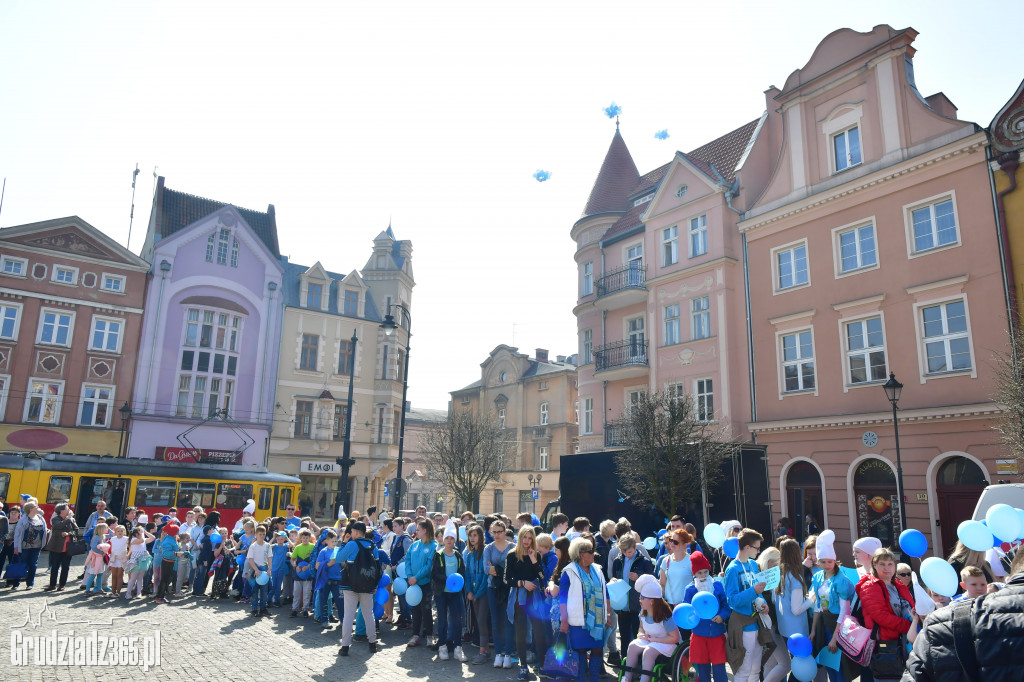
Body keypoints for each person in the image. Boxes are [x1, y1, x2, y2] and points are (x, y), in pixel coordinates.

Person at [903, 545, 1024, 681]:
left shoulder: (942, 623)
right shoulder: (944, 620)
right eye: (974, 585)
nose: (979, 588)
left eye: (982, 584)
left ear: (1009, 579)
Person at [857, 547, 916, 681]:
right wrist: (910, 626)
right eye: (882, 564)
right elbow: (881, 617)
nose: (886, 568)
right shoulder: (870, 586)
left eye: (890, 564)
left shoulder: (898, 584)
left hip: (904, 642)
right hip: (886, 645)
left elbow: (910, 606)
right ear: (874, 565)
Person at [559, 536, 611, 682]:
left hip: (598, 621)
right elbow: (563, 599)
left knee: (597, 651)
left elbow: (605, 592)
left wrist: (608, 615)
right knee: (580, 653)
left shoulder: (598, 570)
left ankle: (594, 679)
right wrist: (564, 621)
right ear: (582, 555)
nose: (594, 554)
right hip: (577, 622)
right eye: (591, 551)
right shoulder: (569, 572)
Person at [724, 528, 769, 682]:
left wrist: (764, 603)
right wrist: (753, 591)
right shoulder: (732, 569)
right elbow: (732, 600)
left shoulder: (753, 565)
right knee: (744, 669)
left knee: (756, 668)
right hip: (743, 624)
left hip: (756, 621)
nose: (759, 551)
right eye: (757, 548)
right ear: (747, 548)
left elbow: (758, 590)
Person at [810, 530, 855, 682]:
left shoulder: (841, 580)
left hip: (838, 625)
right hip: (824, 623)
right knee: (829, 664)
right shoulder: (817, 577)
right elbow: (818, 605)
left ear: (835, 561)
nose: (827, 565)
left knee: (840, 667)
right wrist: (813, 631)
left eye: (830, 561)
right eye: (823, 562)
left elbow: (844, 610)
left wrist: (835, 638)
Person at [766, 538, 813, 682]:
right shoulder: (796, 577)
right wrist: (811, 599)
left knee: (795, 664)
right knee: (801, 666)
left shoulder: (778, 574)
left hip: (784, 628)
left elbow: (774, 600)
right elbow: (797, 609)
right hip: (798, 629)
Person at [505, 524, 547, 680]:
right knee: (520, 632)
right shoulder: (511, 555)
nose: (527, 540)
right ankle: (523, 666)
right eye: (525, 537)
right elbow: (506, 579)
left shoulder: (535, 554)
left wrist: (534, 560)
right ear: (520, 537)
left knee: (539, 632)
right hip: (519, 596)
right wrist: (522, 583)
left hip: (534, 597)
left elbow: (542, 576)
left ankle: (542, 665)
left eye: (530, 538)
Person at [622, 574, 680, 682]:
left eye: (642, 598)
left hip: (667, 644)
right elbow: (641, 628)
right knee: (633, 645)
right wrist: (641, 635)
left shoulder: (665, 616)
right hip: (651, 641)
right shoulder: (643, 612)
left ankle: (644, 679)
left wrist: (655, 640)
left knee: (649, 651)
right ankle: (627, 678)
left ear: (652, 601)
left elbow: (675, 638)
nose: (639, 600)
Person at [337, 521, 381, 657]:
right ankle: (372, 644)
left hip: (350, 583)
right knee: (368, 614)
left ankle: (345, 647)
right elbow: (378, 568)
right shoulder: (373, 546)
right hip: (367, 584)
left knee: (349, 614)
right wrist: (375, 585)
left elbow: (339, 558)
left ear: (355, 532)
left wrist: (343, 543)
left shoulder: (352, 544)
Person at [683, 551, 729, 682]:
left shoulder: (717, 585)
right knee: (702, 671)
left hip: (717, 633)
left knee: (720, 669)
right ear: (694, 574)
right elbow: (687, 610)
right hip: (698, 634)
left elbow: (726, 605)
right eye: (699, 573)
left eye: (705, 572)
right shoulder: (690, 589)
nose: (703, 575)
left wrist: (722, 616)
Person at [611, 533, 655, 667]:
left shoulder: (644, 561)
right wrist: (613, 580)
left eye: (629, 551)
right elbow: (613, 577)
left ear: (635, 547)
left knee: (640, 637)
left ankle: (640, 666)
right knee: (624, 637)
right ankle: (626, 664)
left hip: (638, 606)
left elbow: (652, 581)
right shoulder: (617, 561)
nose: (627, 554)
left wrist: (639, 576)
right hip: (622, 605)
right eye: (624, 552)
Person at [428, 519, 467, 663]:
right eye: (447, 538)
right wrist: (448, 579)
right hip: (441, 593)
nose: (450, 541)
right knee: (443, 620)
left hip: (455, 594)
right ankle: (442, 646)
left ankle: (458, 647)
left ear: (455, 540)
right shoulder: (438, 555)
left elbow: (462, 572)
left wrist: (458, 581)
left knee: (457, 620)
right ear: (443, 539)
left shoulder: (458, 555)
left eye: (452, 538)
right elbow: (434, 574)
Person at [484, 518, 515, 668]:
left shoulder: (513, 547)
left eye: (499, 532)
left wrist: (496, 568)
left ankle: (508, 654)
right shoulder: (488, 548)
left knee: (509, 620)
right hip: (493, 588)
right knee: (496, 621)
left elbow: (515, 569)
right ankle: (498, 654)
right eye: (494, 532)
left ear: (505, 531)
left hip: (510, 588)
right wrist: (500, 570)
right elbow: (486, 569)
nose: (496, 535)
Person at [404, 517, 438, 648]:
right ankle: (415, 635)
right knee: (415, 610)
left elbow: (429, 565)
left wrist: (416, 577)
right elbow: (407, 561)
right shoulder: (414, 545)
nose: (415, 531)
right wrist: (410, 576)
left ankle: (429, 635)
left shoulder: (433, 546)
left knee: (426, 609)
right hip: (413, 584)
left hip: (425, 583)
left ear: (425, 530)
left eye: (418, 529)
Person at [464, 523, 491, 665]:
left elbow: (485, 576)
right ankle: (486, 649)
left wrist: (478, 593)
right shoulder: (469, 555)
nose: (472, 538)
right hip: (473, 594)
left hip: (483, 593)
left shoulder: (486, 552)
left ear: (481, 536)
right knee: (478, 622)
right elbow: (468, 574)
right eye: (470, 535)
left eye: (475, 535)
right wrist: (469, 591)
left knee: (481, 620)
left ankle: (482, 652)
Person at [44, 503, 79, 592]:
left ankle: (62, 585)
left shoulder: (71, 519)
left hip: (68, 548)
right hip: (56, 547)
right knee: (55, 566)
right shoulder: (56, 519)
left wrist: (69, 534)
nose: (69, 510)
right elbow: (57, 527)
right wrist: (68, 520)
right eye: (67, 508)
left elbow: (76, 530)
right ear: (61, 511)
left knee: (65, 567)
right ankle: (52, 585)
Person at [13, 501, 47, 589]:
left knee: (33, 565)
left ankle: (30, 583)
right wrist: (16, 547)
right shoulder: (22, 520)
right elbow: (17, 534)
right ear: (31, 509)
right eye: (36, 506)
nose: (38, 507)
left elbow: (44, 530)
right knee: (21, 564)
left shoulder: (40, 518)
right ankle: (16, 583)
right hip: (24, 546)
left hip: (37, 546)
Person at [656, 529, 694, 608]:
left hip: (687, 606)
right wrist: (660, 600)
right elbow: (662, 584)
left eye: (676, 542)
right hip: (669, 606)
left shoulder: (691, 561)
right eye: (671, 540)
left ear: (685, 545)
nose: (672, 544)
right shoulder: (665, 560)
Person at [124, 525, 153, 600]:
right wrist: (142, 533)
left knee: (140, 578)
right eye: (141, 532)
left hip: (143, 561)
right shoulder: (133, 540)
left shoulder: (142, 538)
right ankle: (128, 593)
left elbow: (153, 538)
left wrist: (145, 532)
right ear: (137, 534)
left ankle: (138, 593)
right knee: (133, 578)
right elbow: (142, 540)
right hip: (135, 561)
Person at [154, 523, 180, 604]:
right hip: (167, 561)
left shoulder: (170, 538)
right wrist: (176, 553)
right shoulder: (169, 540)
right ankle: (159, 597)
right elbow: (166, 553)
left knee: (165, 579)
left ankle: (160, 596)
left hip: (170, 561)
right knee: (164, 580)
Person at [84, 523, 110, 596]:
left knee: (100, 574)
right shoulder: (97, 537)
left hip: (100, 558)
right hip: (96, 559)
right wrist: (102, 553)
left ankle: (99, 588)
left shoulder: (102, 536)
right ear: (101, 529)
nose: (107, 529)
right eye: (106, 528)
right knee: (93, 574)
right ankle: (87, 590)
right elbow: (94, 548)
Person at [108, 524, 129, 596]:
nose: (120, 532)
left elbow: (130, 547)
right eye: (118, 531)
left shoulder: (126, 539)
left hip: (122, 559)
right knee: (114, 575)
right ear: (115, 532)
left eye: (122, 531)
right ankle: (113, 591)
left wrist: (128, 555)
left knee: (120, 575)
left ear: (124, 532)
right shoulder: (113, 539)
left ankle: (118, 592)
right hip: (114, 558)